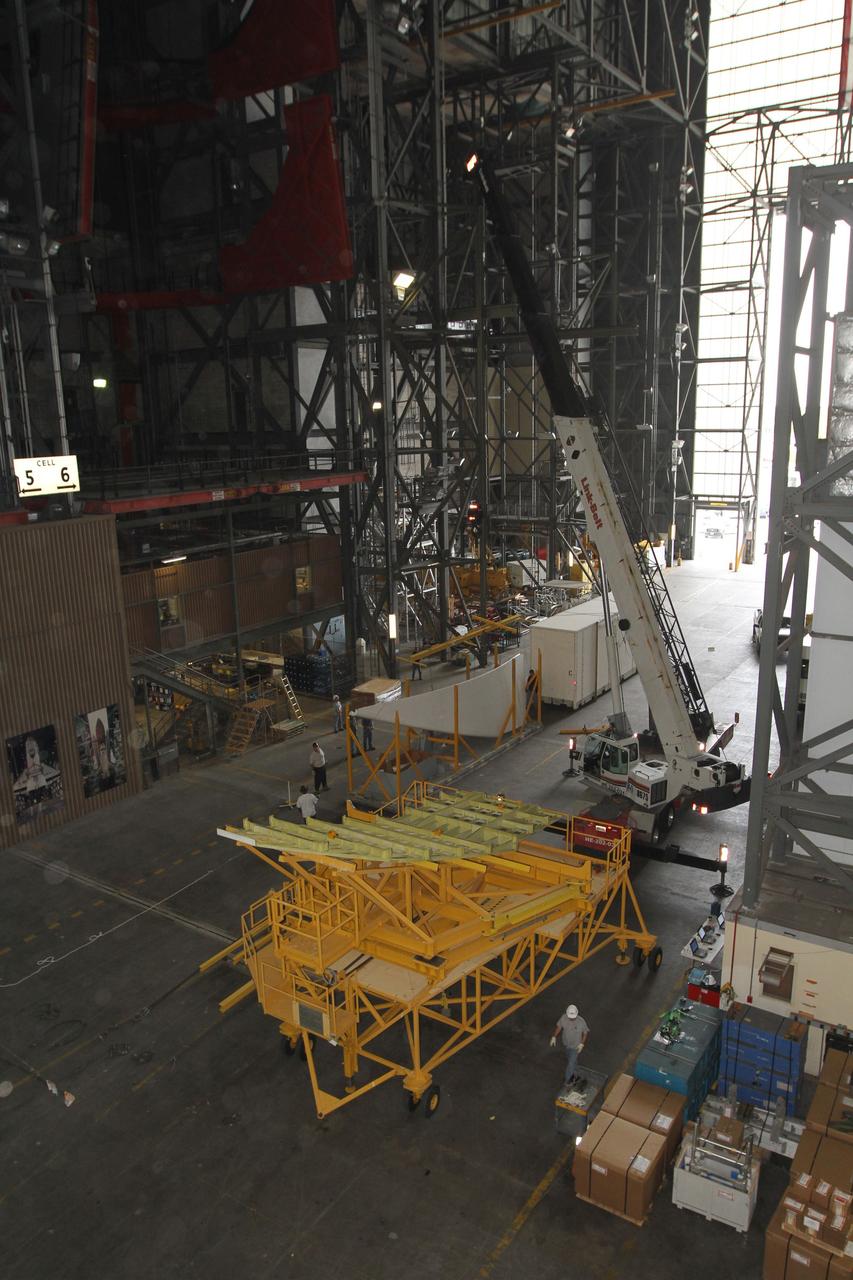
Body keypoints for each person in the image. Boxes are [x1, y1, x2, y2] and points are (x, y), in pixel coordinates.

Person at [550, 1003, 589, 1086]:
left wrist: (581, 1044)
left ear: (576, 1014)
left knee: (570, 1064)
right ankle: (577, 1072)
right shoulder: (564, 1018)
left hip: (575, 1046)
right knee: (571, 1060)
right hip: (566, 1044)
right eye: (570, 1017)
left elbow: (585, 1033)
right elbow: (559, 1027)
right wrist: (554, 1037)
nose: (571, 1019)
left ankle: (568, 1081)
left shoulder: (581, 1022)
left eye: (573, 1017)